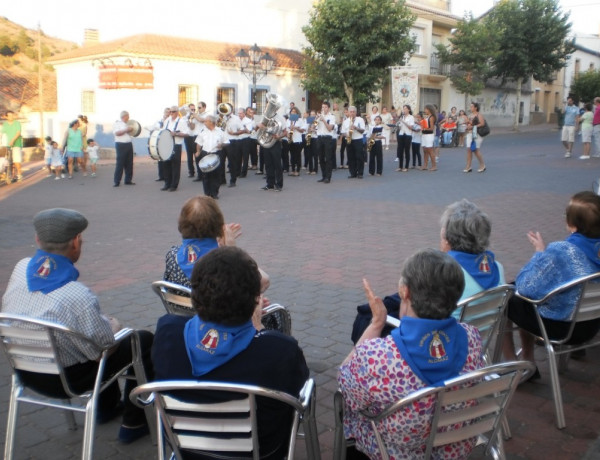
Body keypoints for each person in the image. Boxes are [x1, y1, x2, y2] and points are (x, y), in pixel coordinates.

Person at [1, 208, 154, 444]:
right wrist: (113, 324)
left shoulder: (21, 268)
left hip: (25, 373)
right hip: (68, 381)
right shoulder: (77, 296)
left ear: (37, 240)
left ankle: (106, 408)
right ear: (75, 242)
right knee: (138, 340)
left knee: (87, 338)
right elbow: (105, 348)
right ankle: (133, 422)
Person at [152, 246, 309, 459]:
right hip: (262, 452)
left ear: (195, 294)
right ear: (255, 301)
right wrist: (259, 331)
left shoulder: (167, 332)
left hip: (187, 450)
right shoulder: (279, 350)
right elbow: (298, 389)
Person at [339, 249, 485, 459]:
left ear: (405, 292)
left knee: (351, 407)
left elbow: (344, 381)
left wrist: (376, 324)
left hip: (395, 452)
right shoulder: (472, 338)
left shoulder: (377, 357)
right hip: (454, 447)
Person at [351, 199, 505, 343]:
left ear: (448, 238)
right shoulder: (497, 268)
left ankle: (364, 363)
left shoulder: (444, 274)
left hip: (438, 341)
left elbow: (418, 316)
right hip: (477, 340)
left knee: (366, 317)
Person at [502, 191, 600, 378]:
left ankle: (519, 365)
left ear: (571, 224)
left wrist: (540, 253)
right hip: (592, 326)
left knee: (508, 296)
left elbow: (526, 287)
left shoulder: (563, 251)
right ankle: (575, 351)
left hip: (563, 327)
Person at [195, 114, 227, 199]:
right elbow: (199, 143)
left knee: (216, 175)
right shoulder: (203, 132)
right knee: (206, 175)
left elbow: (226, 142)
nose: (204, 122)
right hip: (206, 154)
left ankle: (214, 193)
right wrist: (198, 151)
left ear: (211, 122)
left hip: (216, 154)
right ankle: (207, 193)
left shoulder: (220, 131)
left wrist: (221, 145)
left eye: (206, 121)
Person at [162, 105, 186, 192]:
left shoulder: (181, 121)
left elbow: (186, 134)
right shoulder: (167, 120)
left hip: (176, 145)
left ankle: (174, 185)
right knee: (166, 164)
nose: (170, 113)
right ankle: (167, 183)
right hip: (167, 144)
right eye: (169, 112)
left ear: (176, 112)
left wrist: (176, 134)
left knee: (175, 165)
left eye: (172, 112)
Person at [342, 106, 366, 179]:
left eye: (353, 112)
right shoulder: (345, 121)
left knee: (359, 157)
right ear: (348, 113)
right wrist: (347, 135)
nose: (352, 113)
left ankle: (360, 173)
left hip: (358, 139)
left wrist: (356, 127)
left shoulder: (360, 120)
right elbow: (343, 132)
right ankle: (353, 173)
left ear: (355, 112)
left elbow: (363, 130)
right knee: (350, 157)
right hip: (349, 139)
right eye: (351, 112)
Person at [112, 110, 135, 187]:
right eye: (128, 116)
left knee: (129, 163)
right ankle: (117, 181)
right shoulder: (117, 124)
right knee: (120, 163)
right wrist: (126, 130)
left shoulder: (128, 124)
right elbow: (117, 133)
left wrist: (132, 129)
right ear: (124, 116)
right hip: (120, 145)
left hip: (128, 144)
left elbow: (134, 132)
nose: (129, 117)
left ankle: (128, 180)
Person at [315, 101, 337, 184]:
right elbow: (313, 126)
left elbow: (330, 128)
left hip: (328, 138)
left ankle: (328, 177)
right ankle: (323, 176)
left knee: (328, 158)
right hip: (320, 138)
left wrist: (323, 120)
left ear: (328, 108)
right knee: (320, 158)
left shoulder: (331, 117)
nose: (323, 109)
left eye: (325, 107)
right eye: (322, 107)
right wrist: (316, 119)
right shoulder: (319, 116)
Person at [464, 102, 486, 173]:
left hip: (477, 134)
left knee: (476, 150)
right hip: (470, 134)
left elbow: (482, 124)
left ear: (476, 108)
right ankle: (468, 166)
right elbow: (470, 124)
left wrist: (473, 126)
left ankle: (482, 165)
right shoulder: (470, 115)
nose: (470, 108)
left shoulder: (479, 115)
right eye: (470, 107)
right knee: (469, 150)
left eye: (472, 107)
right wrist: (467, 125)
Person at [1, 111, 23, 181]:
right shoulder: (5, 124)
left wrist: (12, 140)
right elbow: (2, 133)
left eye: (12, 115)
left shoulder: (17, 123)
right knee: (8, 161)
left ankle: (19, 175)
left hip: (16, 143)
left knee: (16, 160)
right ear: (6, 117)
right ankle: (11, 176)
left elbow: (18, 132)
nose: (11, 117)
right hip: (7, 144)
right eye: (9, 116)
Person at [183, 103, 200, 179]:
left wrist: (192, 119)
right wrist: (188, 119)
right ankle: (191, 172)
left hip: (195, 137)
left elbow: (193, 127)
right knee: (189, 156)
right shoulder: (185, 117)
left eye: (194, 109)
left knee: (197, 155)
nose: (193, 111)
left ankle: (200, 173)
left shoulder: (196, 117)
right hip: (187, 137)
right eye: (191, 109)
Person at [396, 105, 414, 172]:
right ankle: (400, 166)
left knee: (407, 150)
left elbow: (411, 127)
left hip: (408, 134)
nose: (404, 110)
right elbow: (400, 126)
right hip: (401, 134)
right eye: (403, 109)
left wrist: (403, 121)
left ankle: (406, 166)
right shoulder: (402, 117)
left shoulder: (411, 117)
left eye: (405, 109)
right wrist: (398, 124)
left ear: (409, 110)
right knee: (400, 150)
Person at [288, 107, 306, 176]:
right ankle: (292, 170)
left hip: (297, 140)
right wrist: (290, 127)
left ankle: (297, 170)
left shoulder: (300, 120)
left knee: (297, 155)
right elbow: (287, 129)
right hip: (291, 139)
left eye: (295, 112)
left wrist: (295, 127)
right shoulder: (289, 120)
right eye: (292, 112)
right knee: (292, 155)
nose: (293, 113)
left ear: (297, 113)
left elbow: (302, 130)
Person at [421, 104, 437, 171]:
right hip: (424, 135)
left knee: (430, 150)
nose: (425, 110)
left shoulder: (432, 117)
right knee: (425, 150)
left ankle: (434, 166)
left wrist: (424, 129)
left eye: (426, 109)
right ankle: (425, 165)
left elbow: (431, 128)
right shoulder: (427, 117)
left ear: (429, 109)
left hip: (429, 135)